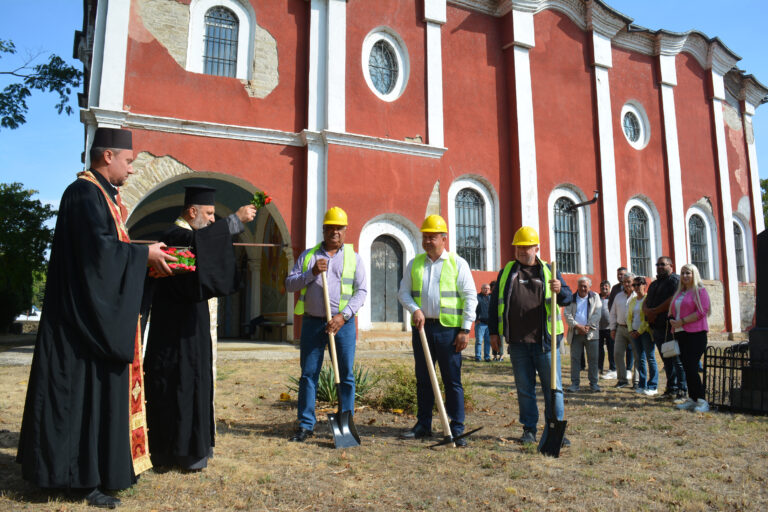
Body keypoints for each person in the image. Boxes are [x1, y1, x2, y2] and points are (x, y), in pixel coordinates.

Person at [16, 128, 175, 508]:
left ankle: (90, 472)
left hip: (90, 319)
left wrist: (142, 258)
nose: (132, 169)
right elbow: (97, 257)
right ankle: (79, 478)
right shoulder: (84, 194)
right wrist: (143, 256)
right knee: (78, 400)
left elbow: (109, 251)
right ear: (108, 157)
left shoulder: (101, 196)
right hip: (79, 326)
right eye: (129, 161)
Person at [142, 186, 257, 470]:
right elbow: (200, 243)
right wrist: (235, 221)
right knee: (178, 385)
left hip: (193, 328)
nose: (212, 220)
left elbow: (205, 244)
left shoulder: (190, 236)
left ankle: (196, 446)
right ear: (192, 212)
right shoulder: (174, 236)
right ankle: (177, 452)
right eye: (209, 213)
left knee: (196, 382)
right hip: (175, 333)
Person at [285, 207, 367, 442]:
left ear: (345, 231)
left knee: (345, 375)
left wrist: (343, 316)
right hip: (313, 323)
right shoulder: (308, 256)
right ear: (323, 230)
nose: (334, 232)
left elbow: (361, 291)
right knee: (308, 374)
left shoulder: (353, 258)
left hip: (342, 325)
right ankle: (306, 425)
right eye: (330, 228)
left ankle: (346, 424)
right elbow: (290, 284)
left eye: (339, 228)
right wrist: (311, 273)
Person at [489, 226, 572, 446]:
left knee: (553, 389)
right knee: (525, 389)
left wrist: (560, 289)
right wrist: (494, 333)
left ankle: (556, 430)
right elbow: (495, 303)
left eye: (526, 247)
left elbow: (567, 297)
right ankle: (529, 429)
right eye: (518, 247)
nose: (521, 251)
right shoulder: (507, 272)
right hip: (518, 343)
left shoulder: (549, 270)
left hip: (545, 343)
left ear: (536, 248)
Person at [398, 215, 477, 446]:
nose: (427, 241)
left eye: (432, 237)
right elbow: (403, 293)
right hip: (422, 329)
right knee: (423, 379)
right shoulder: (415, 264)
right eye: (425, 236)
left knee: (452, 380)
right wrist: (415, 309)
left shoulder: (457, 263)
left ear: (444, 239)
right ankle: (423, 425)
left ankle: (456, 428)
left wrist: (465, 329)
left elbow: (470, 297)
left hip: (449, 331)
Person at [669, 264, 711, 412]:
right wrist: (672, 320)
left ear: (694, 274)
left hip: (696, 333)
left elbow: (702, 311)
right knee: (686, 367)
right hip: (681, 333)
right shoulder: (680, 292)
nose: (685, 276)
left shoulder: (700, 291)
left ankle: (702, 400)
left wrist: (682, 321)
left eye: (688, 273)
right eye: (682, 273)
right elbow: (673, 311)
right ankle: (692, 399)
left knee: (692, 367)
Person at [644, 256, 687, 400]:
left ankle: (682, 389)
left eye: (663, 264)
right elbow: (646, 300)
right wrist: (647, 311)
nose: (660, 267)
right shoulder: (654, 284)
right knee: (667, 360)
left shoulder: (675, 280)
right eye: (658, 265)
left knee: (676, 359)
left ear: (671, 266)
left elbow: (673, 299)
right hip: (657, 327)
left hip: (669, 326)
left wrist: (654, 311)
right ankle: (671, 388)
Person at [564, 276, 603, 392]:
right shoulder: (571, 298)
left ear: (589, 287)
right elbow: (567, 314)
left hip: (591, 334)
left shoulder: (595, 297)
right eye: (580, 286)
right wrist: (577, 326)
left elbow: (598, 313)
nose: (582, 288)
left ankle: (594, 384)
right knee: (575, 360)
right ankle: (575, 384)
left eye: (585, 286)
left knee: (593, 360)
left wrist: (587, 326)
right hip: (576, 333)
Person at [627, 276, 658, 396]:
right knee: (640, 359)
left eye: (638, 284)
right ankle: (642, 384)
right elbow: (629, 317)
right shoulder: (633, 300)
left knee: (650, 358)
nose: (636, 287)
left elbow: (648, 318)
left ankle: (653, 385)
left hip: (645, 332)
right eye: (634, 285)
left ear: (645, 285)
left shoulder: (648, 299)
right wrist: (631, 330)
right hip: (634, 332)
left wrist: (639, 331)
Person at [609, 273, 635, 388]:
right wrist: (612, 328)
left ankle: (637, 381)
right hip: (620, 328)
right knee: (617, 354)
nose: (626, 284)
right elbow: (613, 313)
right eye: (624, 282)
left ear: (633, 282)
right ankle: (622, 380)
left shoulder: (637, 295)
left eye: (629, 281)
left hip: (634, 329)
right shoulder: (618, 296)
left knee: (637, 356)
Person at [598, 280, 616, 379]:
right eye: (602, 286)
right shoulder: (597, 297)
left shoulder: (612, 298)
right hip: (599, 328)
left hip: (610, 328)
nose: (604, 288)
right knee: (599, 350)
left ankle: (612, 368)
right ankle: (599, 368)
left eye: (606, 286)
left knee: (611, 349)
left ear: (609, 287)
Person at [475, 283, 492, 362]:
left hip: (489, 323)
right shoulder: (477, 297)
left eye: (488, 289)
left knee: (488, 341)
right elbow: (473, 308)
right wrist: (476, 319)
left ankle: (487, 357)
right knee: (479, 341)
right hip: (480, 323)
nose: (486, 290)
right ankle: (478, 357)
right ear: (481, 289)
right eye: (485, 288)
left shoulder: (491, 297)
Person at [489, 281, 504, 361]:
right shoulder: (490, 297)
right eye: (493, 287)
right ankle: (494, 355)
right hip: (492, 323)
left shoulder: (502, 295)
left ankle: (501, 355)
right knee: (493, 341)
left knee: (500, 341)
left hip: (501, 324)